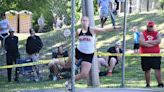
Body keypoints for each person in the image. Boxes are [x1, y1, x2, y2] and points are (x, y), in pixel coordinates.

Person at [65, 16, 121, 91]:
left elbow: (103, 30)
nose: (84, 22)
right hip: (78, 51)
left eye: (86, 21)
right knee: (66, 65)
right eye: (83, 20)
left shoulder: (92, 30)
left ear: (88, 22)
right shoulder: (79, 31)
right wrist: (69, 35)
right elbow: (73, 37)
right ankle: (72, 65)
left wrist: (114, 27)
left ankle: (69, 82)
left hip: (88, 54)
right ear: (81, 22)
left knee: (84, 74)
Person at [139, 21, 163, 88]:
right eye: (149, 26)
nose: (151, 27)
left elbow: (158, 41)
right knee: (147, 70)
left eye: (152, 26)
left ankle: (160, 83)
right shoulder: (143, 33)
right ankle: (148, 84)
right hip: (145, 55)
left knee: (157, 69)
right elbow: (141, 42)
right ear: (147, 26)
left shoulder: (156, 33)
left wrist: (148, 42)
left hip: (155, 55)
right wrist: (153, 44)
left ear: (153, 26)